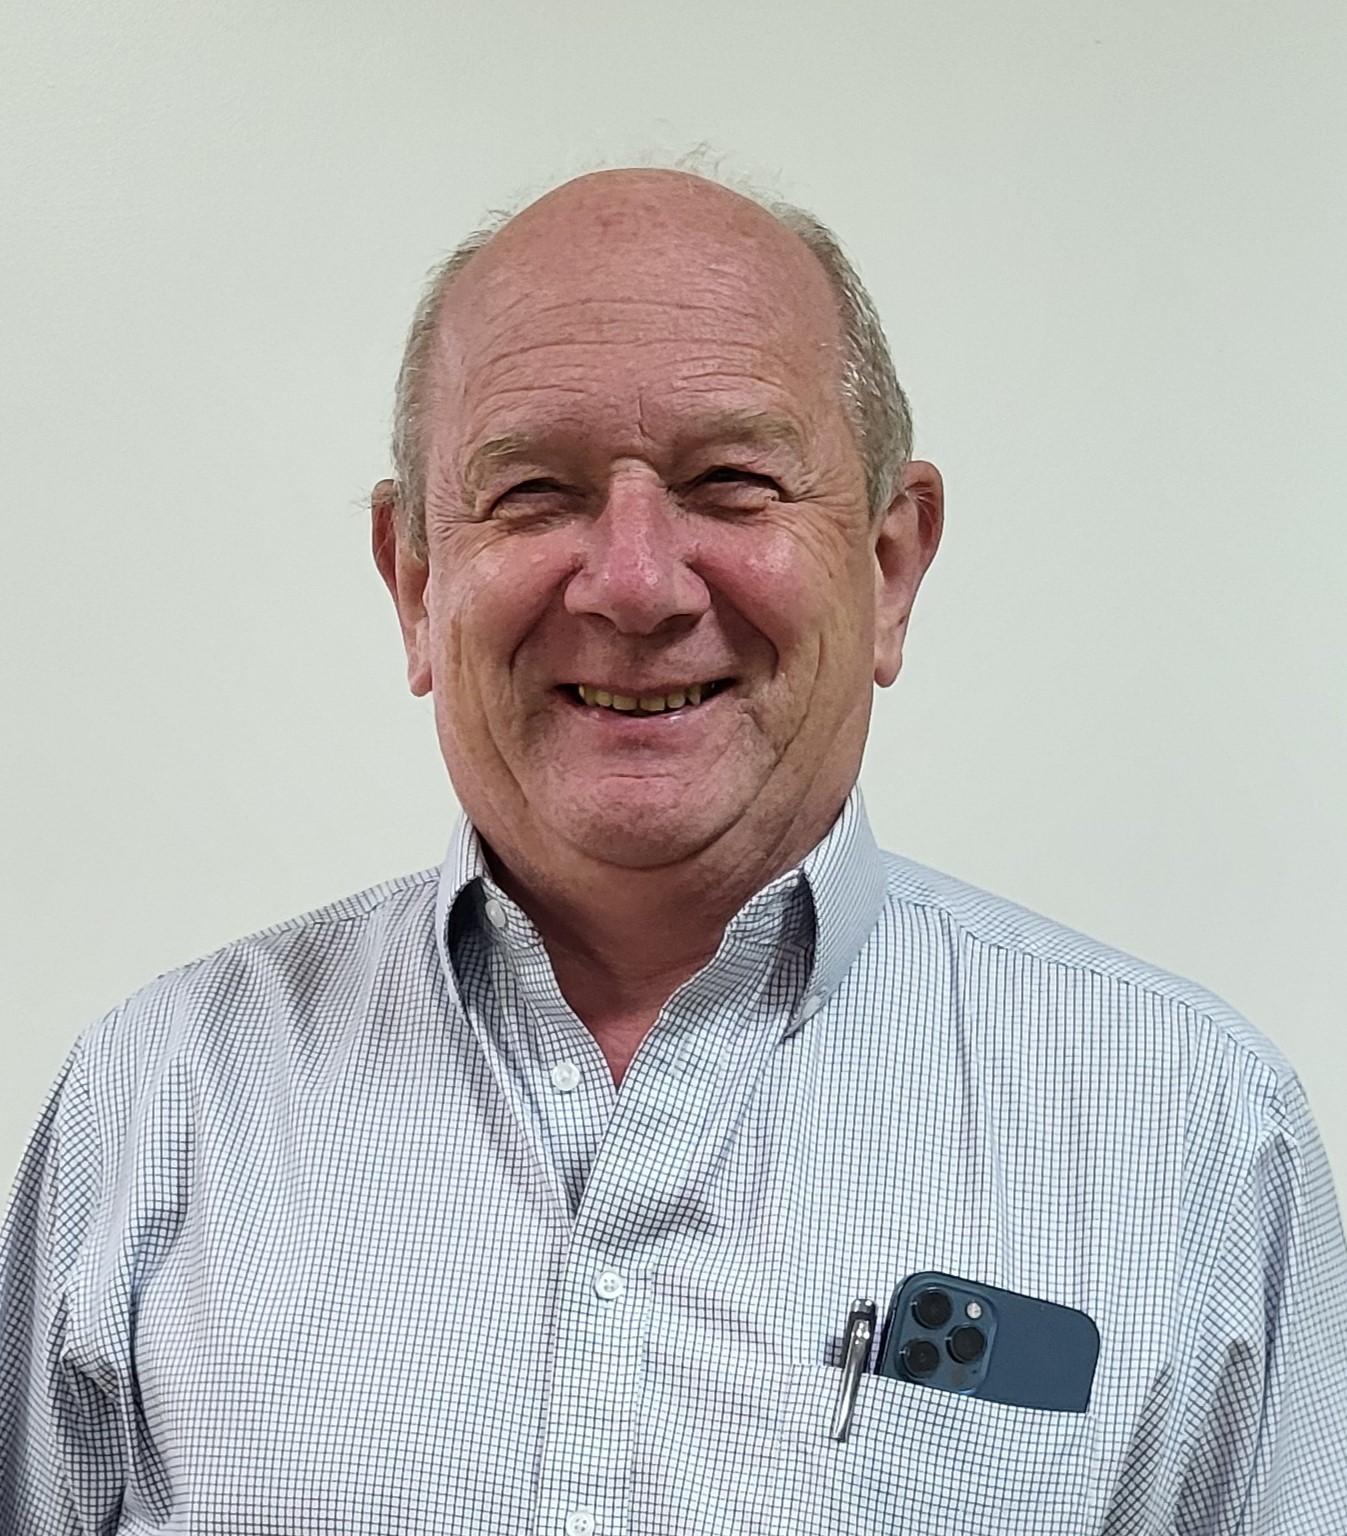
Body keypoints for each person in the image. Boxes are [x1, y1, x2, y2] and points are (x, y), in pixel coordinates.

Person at [2, 166, 1344, 1535]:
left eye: (733, 483)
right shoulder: (155, 1104)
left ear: (890, 568)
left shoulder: (1193, 1133)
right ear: (413, 580)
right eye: (534, 492)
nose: (635, 584)